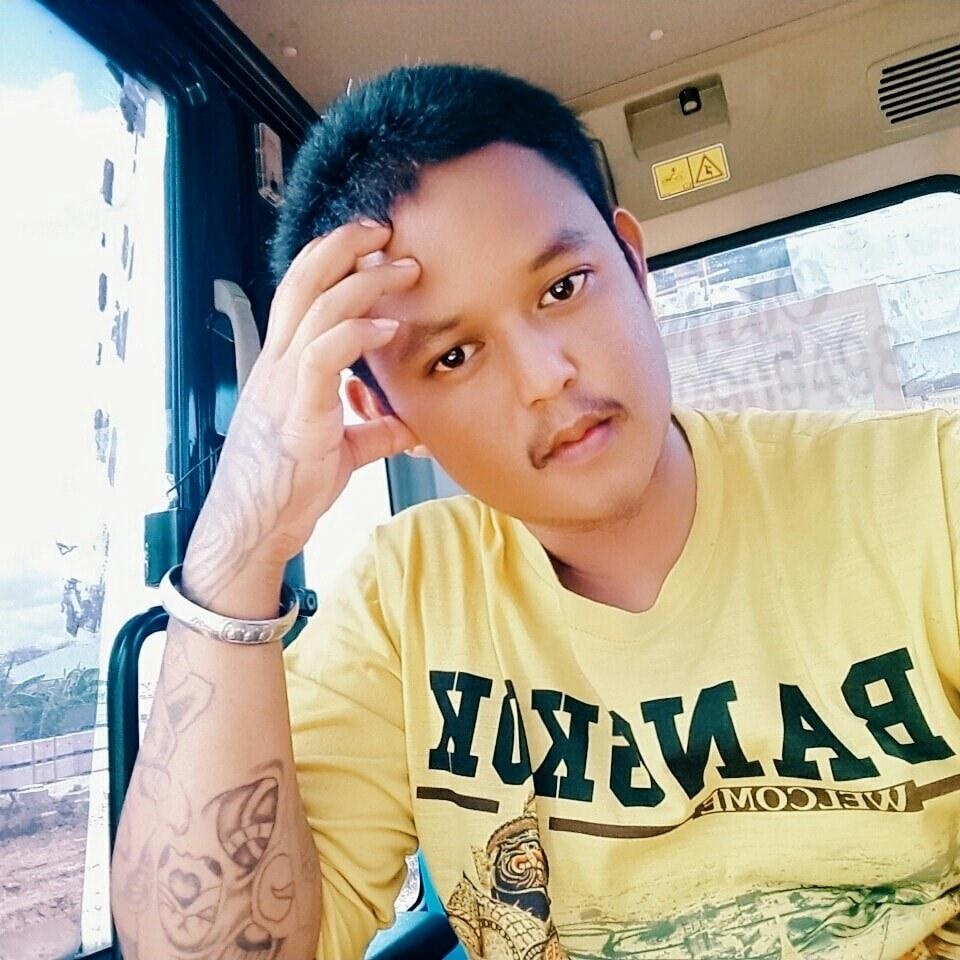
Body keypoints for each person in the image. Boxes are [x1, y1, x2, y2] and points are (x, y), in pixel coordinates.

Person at [111, 63, 960, 960]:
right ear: (388, 413)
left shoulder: (926, 490)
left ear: (634, 265)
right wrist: (241, 546)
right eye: (453, 356)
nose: (546, 376)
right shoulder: (403, 602)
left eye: (563, 287)